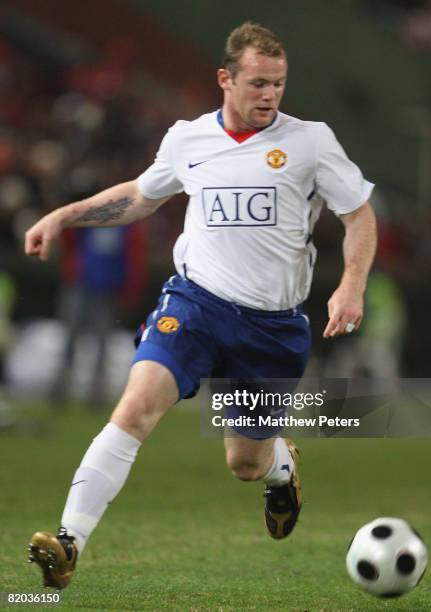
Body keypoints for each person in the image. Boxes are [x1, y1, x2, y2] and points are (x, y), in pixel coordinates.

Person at [24, 22, 377, 589]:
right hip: (195, 304)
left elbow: (358, 213)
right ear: (225, 79)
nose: (270, 96)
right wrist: (64, 215)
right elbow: (141, 194)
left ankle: (279, 468)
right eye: (259, 83)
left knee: (244, 463)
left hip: (272, 329)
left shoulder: (311, 142)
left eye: (279, 84)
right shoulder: (188, 138)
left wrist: (353, 283)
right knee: (135, 406)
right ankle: (68, 544)